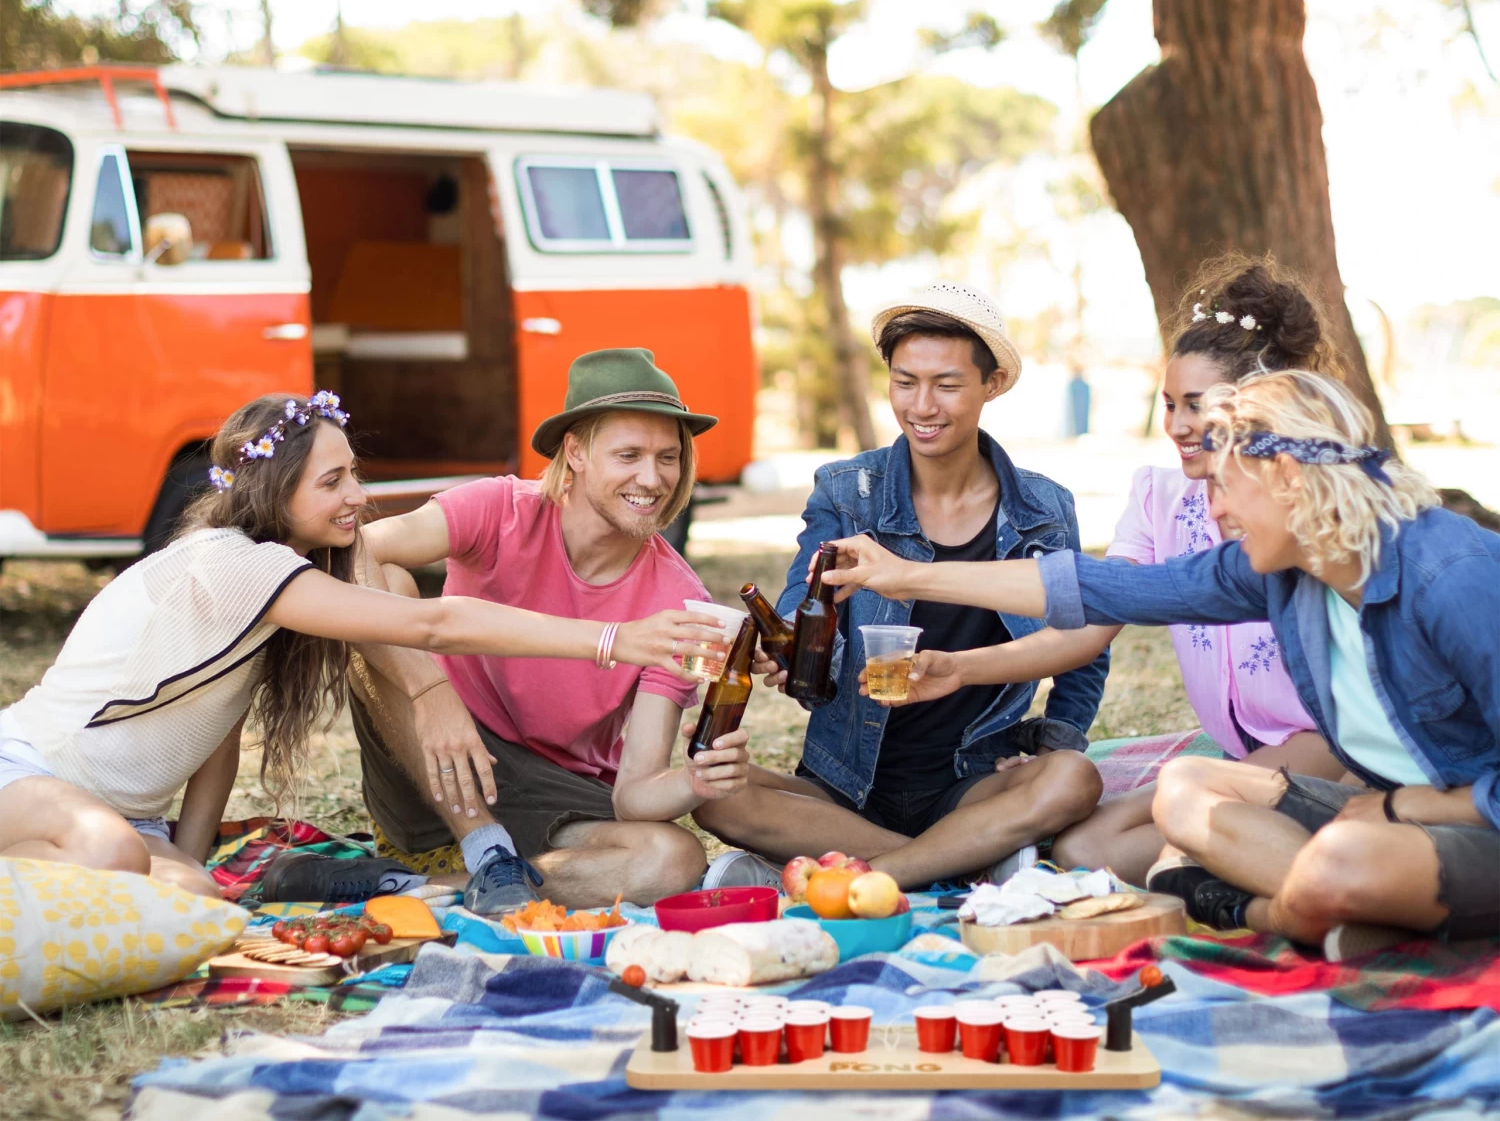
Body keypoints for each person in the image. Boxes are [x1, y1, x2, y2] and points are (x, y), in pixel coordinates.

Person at [828, 370, 1500, 956]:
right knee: (1186, 790)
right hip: (1384, 819)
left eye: (1227, 487)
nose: (1217, 511)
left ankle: (1260, 908)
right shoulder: (1290, 569)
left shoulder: (1453, 579)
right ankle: (1357, 907)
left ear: (1290, 479)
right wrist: (909, 577)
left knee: (1342, 863)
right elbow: (1100, 588)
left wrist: (1401, 806)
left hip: (1459, 824)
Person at [0, 390, 725, 901]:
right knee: (110, 856)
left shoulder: (282, 585)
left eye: (355, 473)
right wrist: (609, 640)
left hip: (131, 814)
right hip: (35, 772)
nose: (358, 495)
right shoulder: (233, 563)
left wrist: (192, 861)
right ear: (279, 490)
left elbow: (215, 731)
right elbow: (430, 626)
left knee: (191, 898)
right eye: (333, 480)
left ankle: (424, 889)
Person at [695, 283, 1105, 891]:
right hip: (842, 786)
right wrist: (793, 655)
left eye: (947, 383)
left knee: (1074, 777)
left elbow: (1082, 647)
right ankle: (957, 863)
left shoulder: (1042, 509)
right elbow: (800, 600)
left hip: (974, 782)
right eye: (904, 381)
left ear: (991, 385)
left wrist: (1055, 740)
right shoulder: (845, 490)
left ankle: (843, 877)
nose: (922, 405)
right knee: (712, 792)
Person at [963, 257, 1346, 885]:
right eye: (1168, 404)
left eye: (1195, 405)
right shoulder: (1156, 497)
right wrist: (957, 670)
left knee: (1182, 817)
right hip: (1235, 755)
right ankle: (1291, 859)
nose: (1175, 426)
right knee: (1085, 851)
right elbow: (1088, 620)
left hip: (1324, 743)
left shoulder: (1308, 504)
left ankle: (1331, 865)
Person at [342, 348, 754, 916]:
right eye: (628, 455)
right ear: (576, 452)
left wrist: (696, 780)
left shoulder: (678, 604)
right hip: (430, 752)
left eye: (668, 457)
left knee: (673, 858)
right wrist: (426, 690)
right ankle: (484, 849)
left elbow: (635, 796)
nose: (652, 478)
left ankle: (436, 886)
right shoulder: (499, 509)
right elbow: (353, 555)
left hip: (548, 795)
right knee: (384, 583)